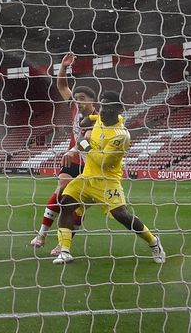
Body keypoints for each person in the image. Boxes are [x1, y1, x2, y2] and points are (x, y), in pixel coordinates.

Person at [53, 91, 166, 265]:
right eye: (102, 107)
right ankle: (65, 252)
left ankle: (153, 242)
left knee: (122, 216)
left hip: (107, 182)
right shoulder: (99, 118)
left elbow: (103, 161)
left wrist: (83, 143)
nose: (103, 111)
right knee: (66, 203)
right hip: (87, 178)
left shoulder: (120, 135)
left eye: (108, 108)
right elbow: (86, 121)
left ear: (119, 110)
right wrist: (86, 126)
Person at [30, 52, 96, 253]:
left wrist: (75, 148)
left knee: (79, 205)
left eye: (83, 99)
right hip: (73, 160)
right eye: (77, 99)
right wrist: (64, 67)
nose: (79, 102)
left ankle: (63, 244)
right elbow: (61, 86)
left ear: (93, 101)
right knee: (60, 191)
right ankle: (41, 234)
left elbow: (88, 143)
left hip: (91, 164)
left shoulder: (96, 118)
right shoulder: (76, 108)